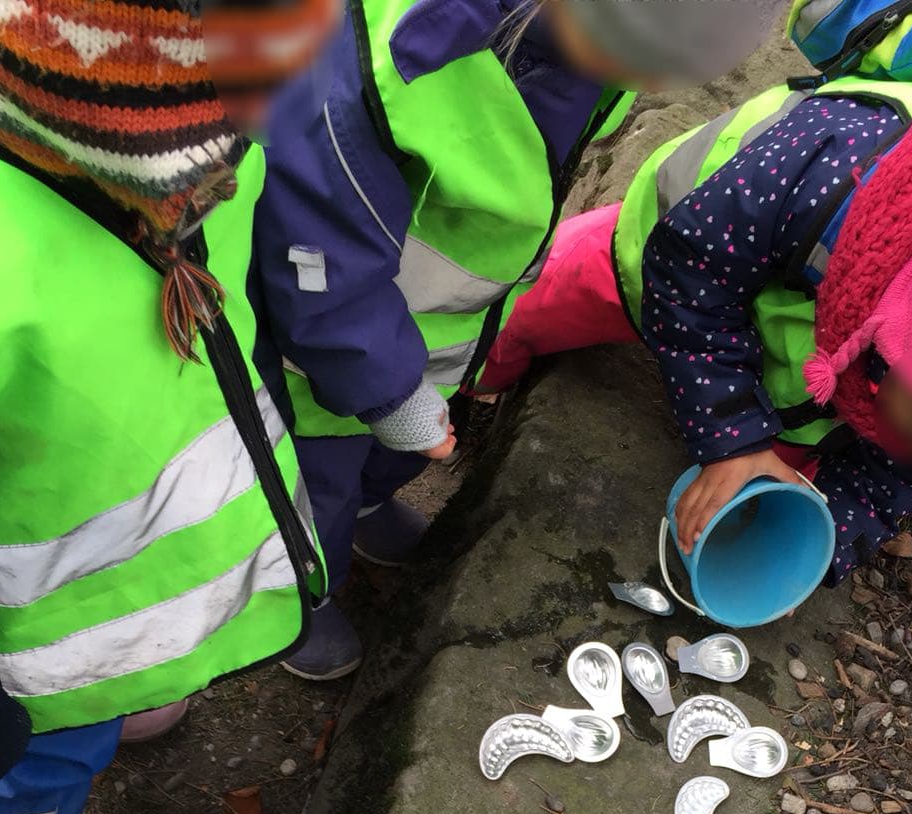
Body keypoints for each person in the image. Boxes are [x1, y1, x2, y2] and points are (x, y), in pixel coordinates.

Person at [480, 4, 912, 587]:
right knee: (540, 296)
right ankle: (470, 374)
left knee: (782, 488)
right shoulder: (839, 158)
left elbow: (906, 474)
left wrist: (829, 531)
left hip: (815, 362)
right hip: (675, 245)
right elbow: (687, 272)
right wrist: (735, 440)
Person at [252, 0, 787, 680]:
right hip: (328, 357)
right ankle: (293, 600)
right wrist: (389, 393)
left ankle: (367, 504)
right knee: (310, 488)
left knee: (394, 460)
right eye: (642, 62)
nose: (652, 87)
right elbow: (321, 266)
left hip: (437, 323)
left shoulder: (583, 46)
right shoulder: (394, 74)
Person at [0, 0, 339, 814]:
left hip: (113, 611)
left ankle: (121, 686)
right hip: (21, 672)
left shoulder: (188, 178)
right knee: (26, 774)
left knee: (104, 712)